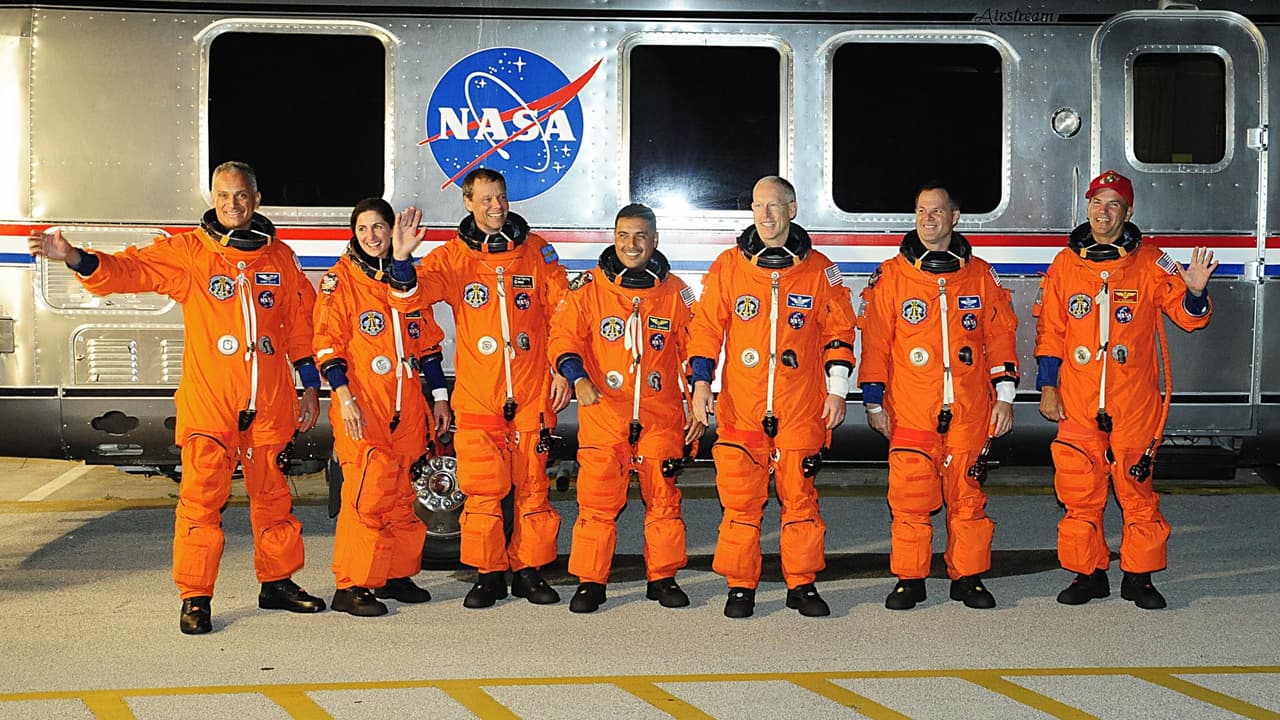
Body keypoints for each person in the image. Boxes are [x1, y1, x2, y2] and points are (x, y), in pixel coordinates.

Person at [28, 161, 326, 634]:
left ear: (257, 199)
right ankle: (196, 596)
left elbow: (301, 327)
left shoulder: (280, 260)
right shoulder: (190, 253)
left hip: (269, 402)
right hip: (212, 403)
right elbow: (130, 270)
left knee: (273, 498)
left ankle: (278, 582)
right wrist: (76, 257)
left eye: (242, 195)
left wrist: (310, 385)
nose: (233, 204)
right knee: (201, 502)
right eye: (224, 196)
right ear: (212, 198)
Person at [1034, 169, 1217, 609]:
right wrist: (1047, 385)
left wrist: (1194, 293)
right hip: (1077, 399)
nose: (1104, 211)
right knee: (1080, 492)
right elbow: (1051, 330)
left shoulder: (1154, 261)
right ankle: (1088, 573)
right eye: (1097, 202)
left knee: (1136, 492)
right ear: (1088, 208)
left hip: (1132, 400)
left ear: (1128, 212)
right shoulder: (1065, 264)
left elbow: (1189, 316)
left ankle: (1140, 577)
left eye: (1114, 204)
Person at [388, 168, 570, 608]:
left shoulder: (537, 252)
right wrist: (401, 259)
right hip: (480, 395)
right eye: (485, 199)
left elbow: (563, 313)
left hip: (530, 391)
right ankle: (488, 575)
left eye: (500, 197)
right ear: (468, 203)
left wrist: (562, 368)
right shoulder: (454, 258)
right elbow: (410, 297)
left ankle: (529, 572)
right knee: (484, 492)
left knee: (532, 490)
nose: (495, 206)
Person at [688, 176, 858, 618]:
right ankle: (741, 586)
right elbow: (706, 328)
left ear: (793, 209)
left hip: (800, 406)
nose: (765, 215)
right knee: (741, 504)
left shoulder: (821, 269)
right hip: (743, 407)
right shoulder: (729, 266)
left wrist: (838, 391)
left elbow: (839, 333)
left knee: (800, 502)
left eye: (774, 206)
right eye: (758, 206)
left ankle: (801, 585)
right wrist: (701, 383)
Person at [858, 183, 1020, 611]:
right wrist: (873, 401)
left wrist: (1005, 395)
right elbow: (875, 342)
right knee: (910, 499)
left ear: (955, 218)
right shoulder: (893, 276)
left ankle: (968, 578)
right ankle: (910, 580)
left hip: (969, 407)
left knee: (967, 498)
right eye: (921, 211)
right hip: (912, 407)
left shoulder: (981, 275)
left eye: (936, 211)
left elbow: (1001, 336)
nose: (928, 218)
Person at [547, 203, 704, 613]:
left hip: (660, 415)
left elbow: (695, 351)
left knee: (664, 501)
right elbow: (563, 339)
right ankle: (591, 581)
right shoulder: (588, 289)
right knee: (597, 503)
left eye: (639, 236)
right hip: (605, 413)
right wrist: (577, 377)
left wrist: (699, 404)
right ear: (613, 238)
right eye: (622, 236)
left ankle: (663, 577)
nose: (630, 245)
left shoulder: (676, 294)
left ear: (654, 240)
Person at [313, 198, 452, 616]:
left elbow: (427, 346)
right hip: (363, 403)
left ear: (392, 231)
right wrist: (343, 397)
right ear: (353, 235)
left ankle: (393, 574)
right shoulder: (340, 283)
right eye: (363, 229)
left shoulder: (408, 282)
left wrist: (440, 398)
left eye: (379, 228)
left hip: (407, 404)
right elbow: (327, 346)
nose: (372, 236)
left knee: (402, 493)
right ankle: (352, 585)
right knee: (367, 494)